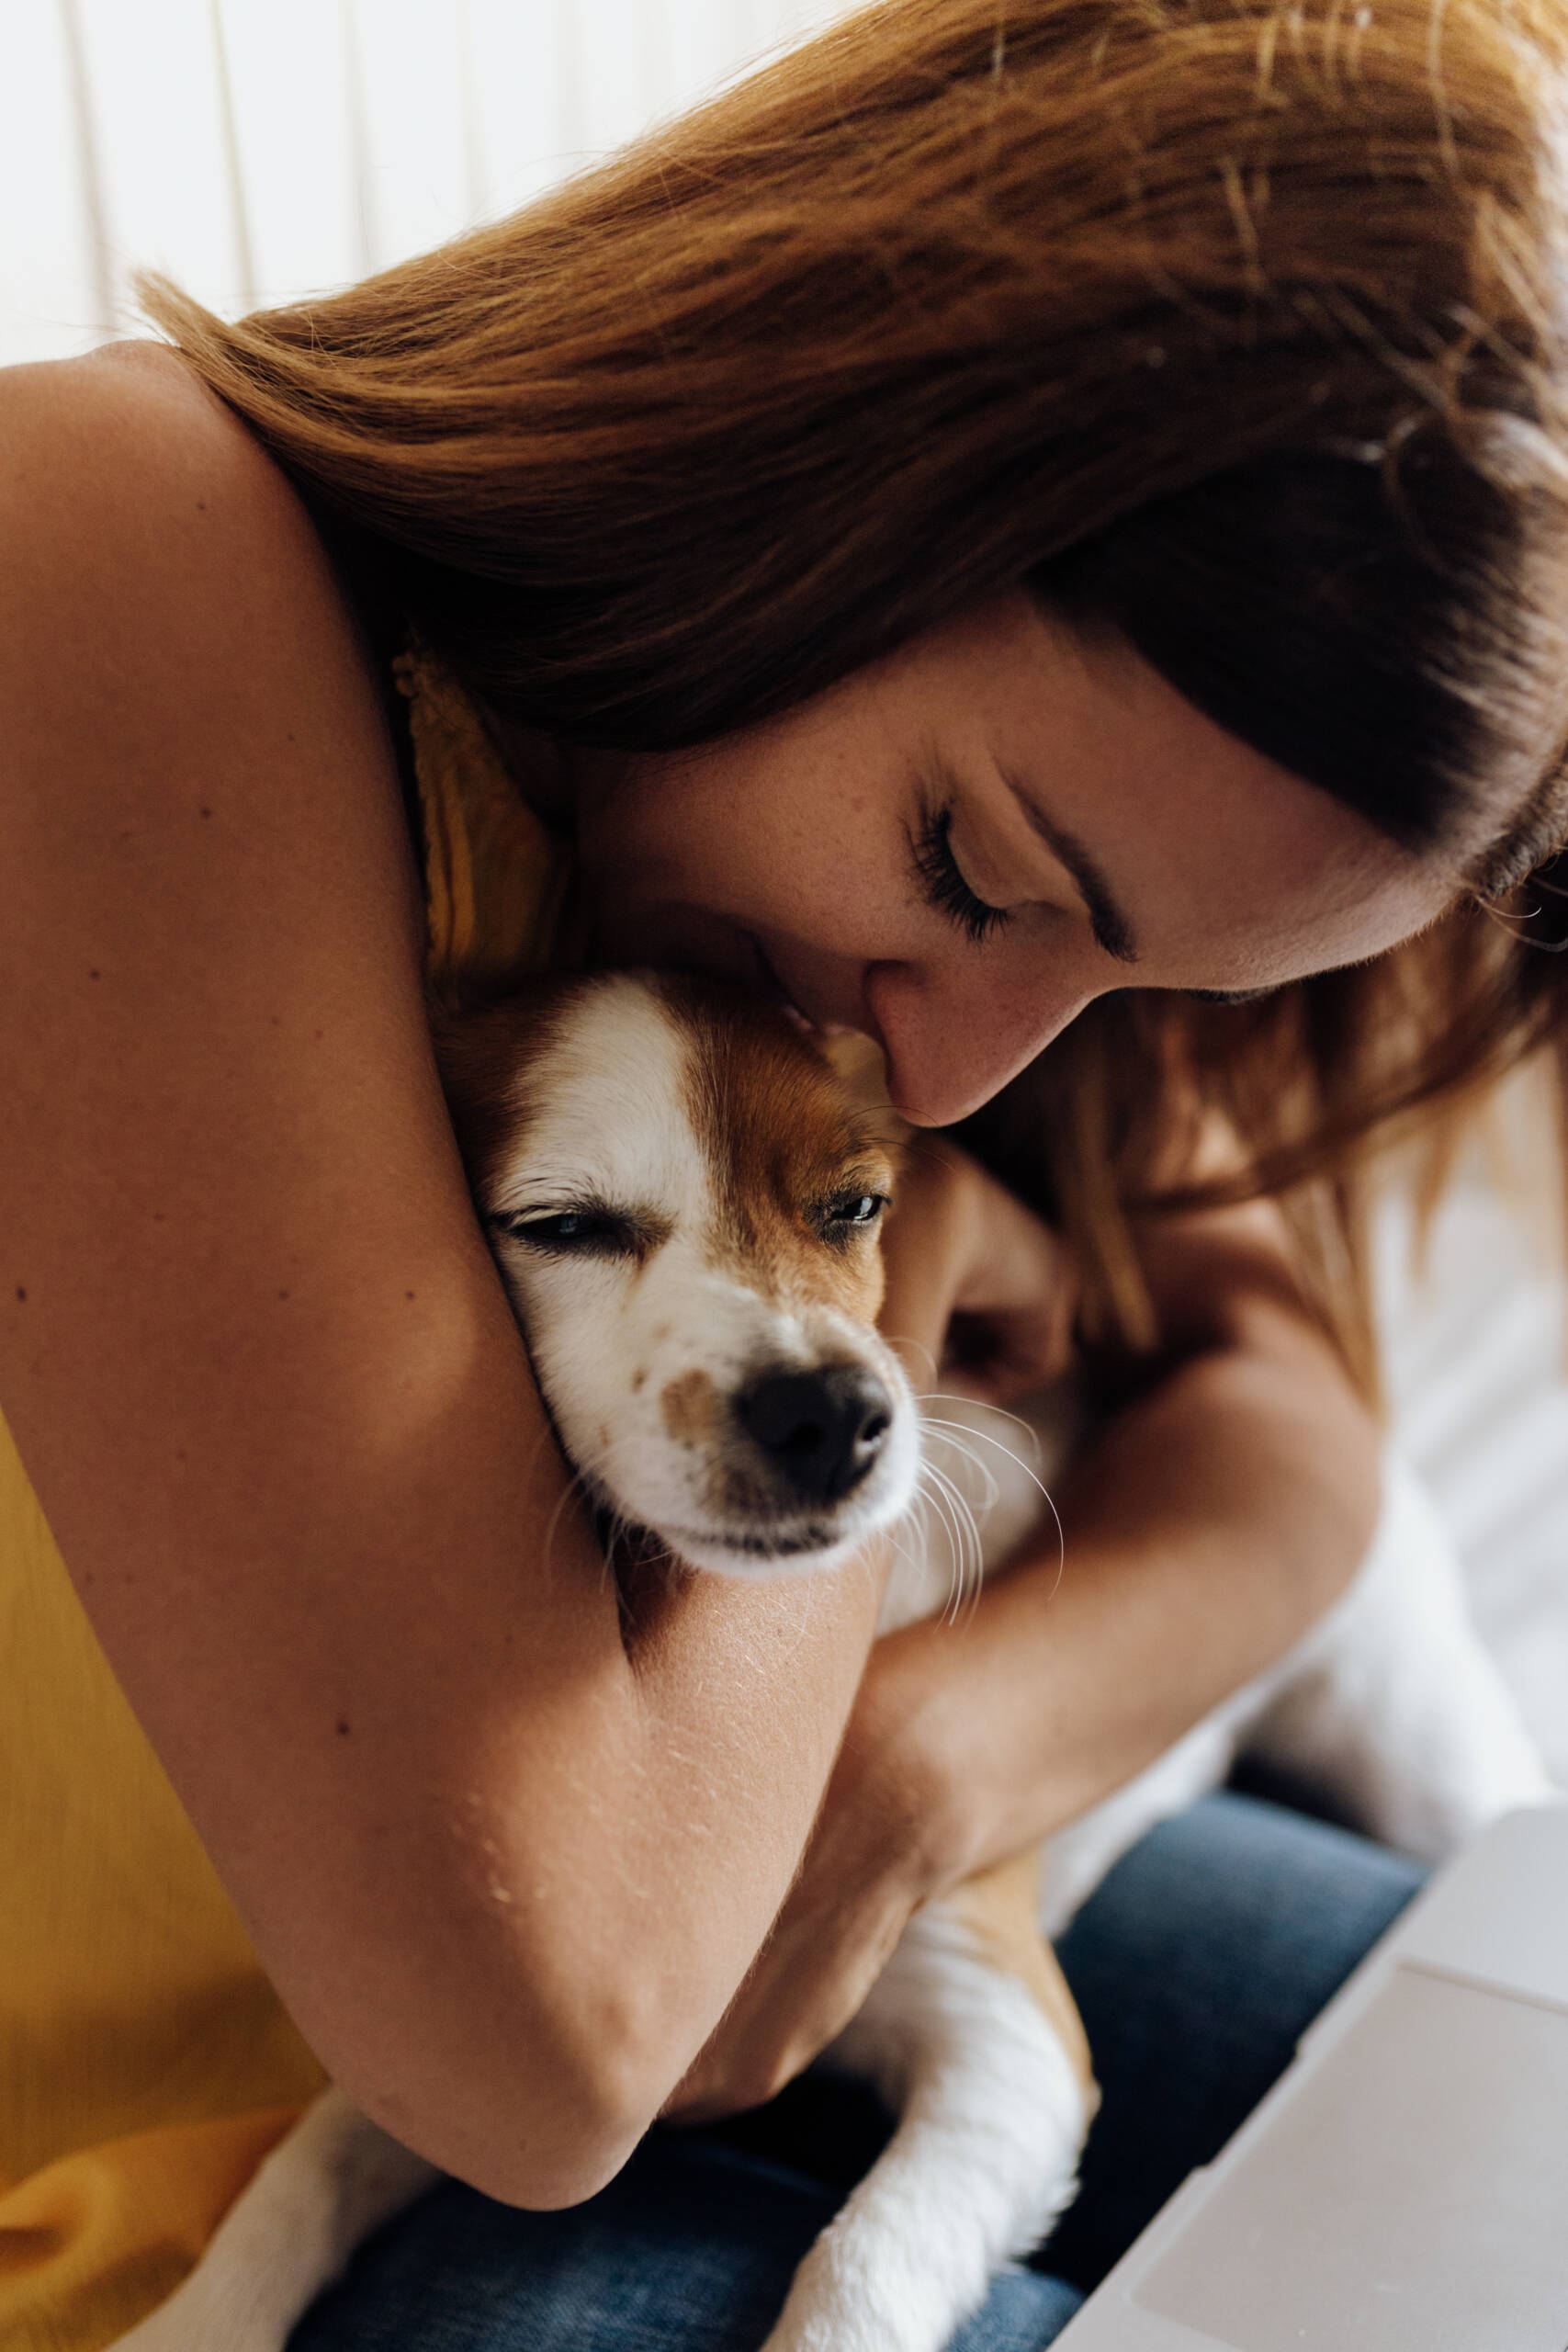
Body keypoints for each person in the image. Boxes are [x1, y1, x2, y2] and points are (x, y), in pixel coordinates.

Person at [3, 0, 1567, 2345]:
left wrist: (924, 1765)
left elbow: (1293, 1434)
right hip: (250, 2182)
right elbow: (571, 2040)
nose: (953, 1075)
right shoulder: (106, 565)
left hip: (905, 1895)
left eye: (1132, 990)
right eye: (971, 862)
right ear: (828, 447)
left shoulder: (881, 949)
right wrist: (891, 1251)